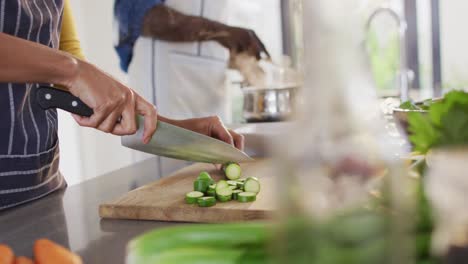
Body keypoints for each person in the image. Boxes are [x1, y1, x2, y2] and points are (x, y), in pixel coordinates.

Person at [0, 0, 243, 210]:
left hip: (41, 187)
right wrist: (73, 71)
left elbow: (68, 60)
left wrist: (177, 131)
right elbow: (69, 69)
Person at [114, 0, 272, 175]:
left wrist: (239, 59)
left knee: (217, 166)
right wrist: (226, 33)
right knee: (165, 174)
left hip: (213, 82)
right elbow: (140, 15)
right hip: (166, 76)